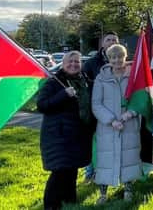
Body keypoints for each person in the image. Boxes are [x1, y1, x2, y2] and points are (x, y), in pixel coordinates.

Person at [37, 51, 95, 210]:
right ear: (63, 64)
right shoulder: (54, 82)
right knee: (60, 171)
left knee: (72, 170)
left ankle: (70, 202)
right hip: (58, 136)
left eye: (77, 62)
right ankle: (51, 205)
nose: (74, 64)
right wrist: (63, 94)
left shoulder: (85, 81)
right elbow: (42, 105)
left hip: (78, 135)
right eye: (70, 61)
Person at [91, 44, 142, 204]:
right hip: (107, 127)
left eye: (120, 56)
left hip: (129, 124)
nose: (117, 60)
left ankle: (128, 190)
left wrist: (130, 114)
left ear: (125, 57)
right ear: (109, 59)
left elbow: (140, 100)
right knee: (105, 159)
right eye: (113, 57)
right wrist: (111, 120)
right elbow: (96, 104)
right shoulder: (101, 78)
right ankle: (103, 194)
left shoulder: (133, 76)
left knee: (129, 157)